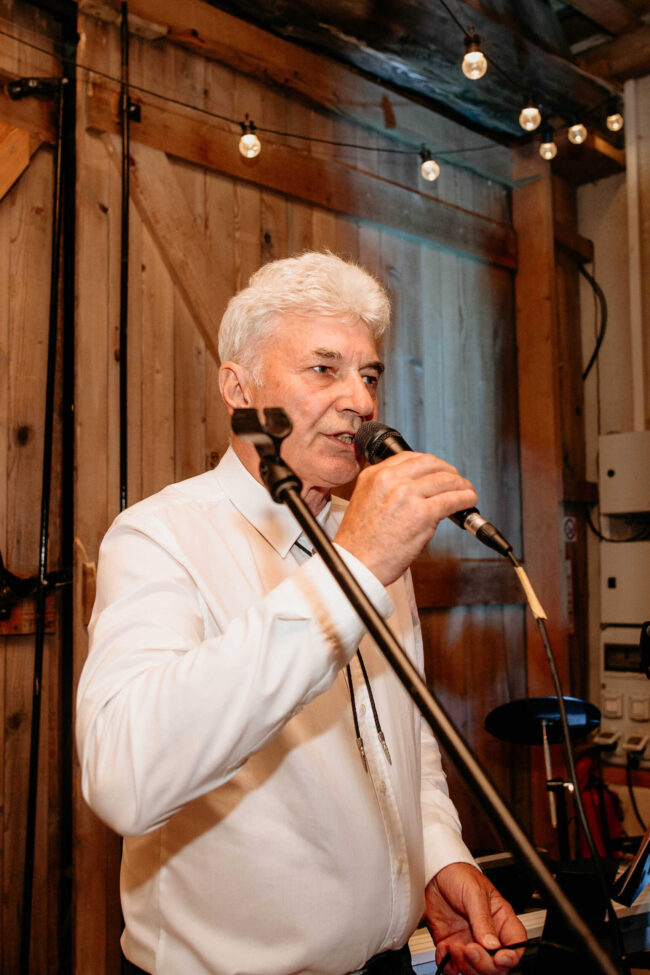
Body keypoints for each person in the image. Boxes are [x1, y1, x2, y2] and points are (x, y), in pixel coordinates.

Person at [76, 252, 526, 975]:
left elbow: (403, 738)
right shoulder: (159, 536)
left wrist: (440, 859)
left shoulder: (369, 537)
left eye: (370, 374)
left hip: (390, 961)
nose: (363, 402)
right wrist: (355, 569)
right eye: (324, 369)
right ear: (239, 388)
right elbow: (123, 777)